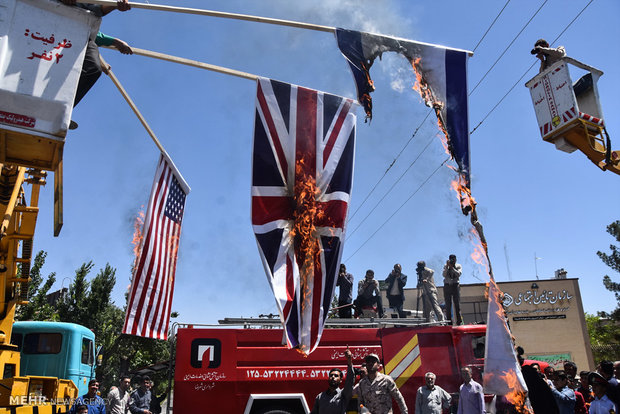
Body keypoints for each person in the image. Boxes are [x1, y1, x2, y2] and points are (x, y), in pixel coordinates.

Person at [59, 0, 132, 129]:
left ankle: (61, 110)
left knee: (93, 68)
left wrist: (115, 6)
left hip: (79, 33)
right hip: (51, 23)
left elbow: (92, 17)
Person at [310, 348, 353, 414]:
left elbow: (350, 381)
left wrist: (349, 361)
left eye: (336, 376)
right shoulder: (320, 396)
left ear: (341, 380)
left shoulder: (343, 394)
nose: (333, 377)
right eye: (331, 375)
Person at [442, 254, 462, 325]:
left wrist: (452, 268)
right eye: (451, 259)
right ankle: (449, 322)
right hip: (447, 285)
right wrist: (447, 267)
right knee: (448, 304)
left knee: (457, 304)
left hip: (455, 285)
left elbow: (458, 274)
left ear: (456, 259)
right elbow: (444, 275)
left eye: (453, 259)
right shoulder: (446, 266)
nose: (452, 260)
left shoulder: (458, 266)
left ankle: (459, 321)